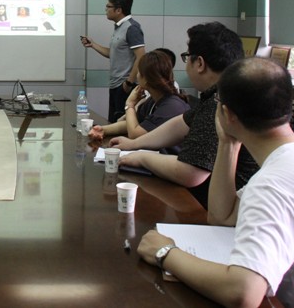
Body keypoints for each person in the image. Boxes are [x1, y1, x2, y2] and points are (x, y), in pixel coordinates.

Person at [138, 57, 294, 307]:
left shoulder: (273, 184)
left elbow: (243, 293)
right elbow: (222, 216)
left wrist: (166, 253)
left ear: (226, 114)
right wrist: (228, 143)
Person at [110, 22, 259, 207]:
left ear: (200, 63)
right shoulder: (222, 93)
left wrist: (142, 158)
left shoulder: (221, 103)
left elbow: (191, 173)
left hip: (226, 214)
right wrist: (134, 144)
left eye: (187, 57)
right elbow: (179, 125)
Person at [89, 50, 189, 149]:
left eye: (139, 72)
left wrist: (130, 104)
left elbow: (135, 134)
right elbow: (133, 124)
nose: (137, 76)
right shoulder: (153, 100)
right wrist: (103, 130)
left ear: (145, 79)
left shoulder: (171, 106)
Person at [81, 0, 145, 122]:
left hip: (125, 86)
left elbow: (141, 57)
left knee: (122, 125)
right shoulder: (119, 27)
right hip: (115, 84)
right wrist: (93, 45)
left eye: (108, 6)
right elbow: (113, 54)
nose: (106, 9)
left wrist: (129, 82)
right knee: (113, 121)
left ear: (118, 10)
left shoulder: (132, 28)